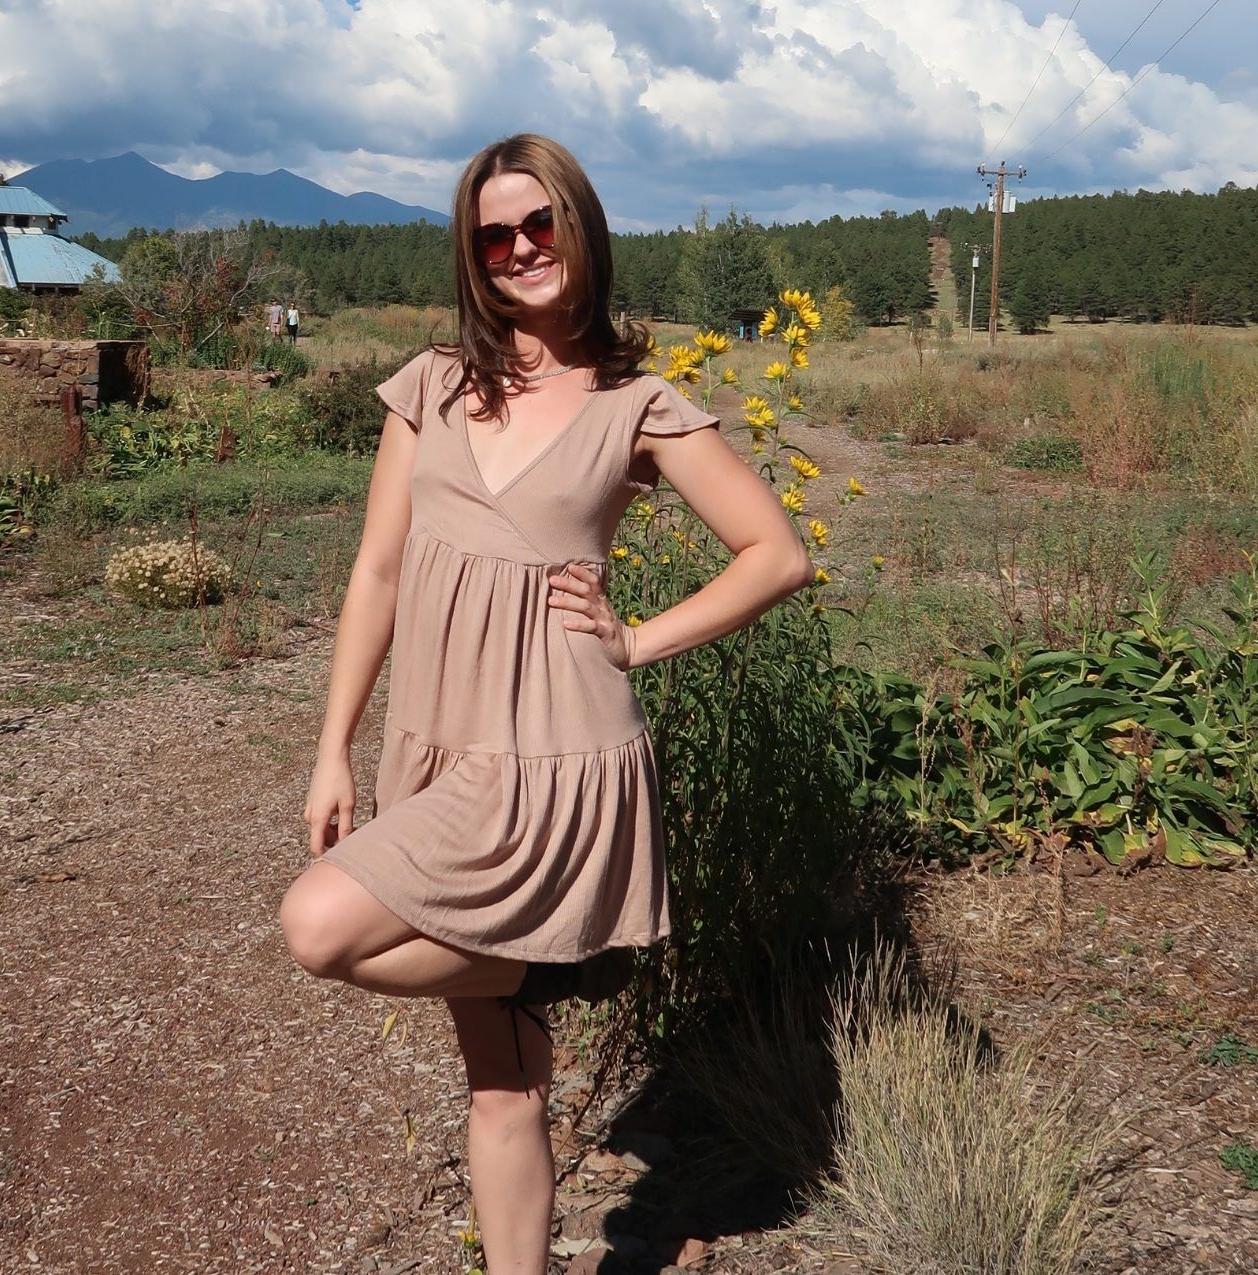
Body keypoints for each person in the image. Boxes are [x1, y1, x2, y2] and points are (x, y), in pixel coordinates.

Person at [278, 133, 812, 1275]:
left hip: (559, 754)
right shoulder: (431, 384)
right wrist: (334, 750)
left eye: (540, 225)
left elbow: (776, 554)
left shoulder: (639, 403)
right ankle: (544, 979)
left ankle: (546, 959)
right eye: (493, 236)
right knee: (503, 1085)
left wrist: (638, 639)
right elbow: (376, 570)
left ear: (579, 228)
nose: (520, 250)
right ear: (472, 258)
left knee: (317, 926)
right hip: (437, 743)